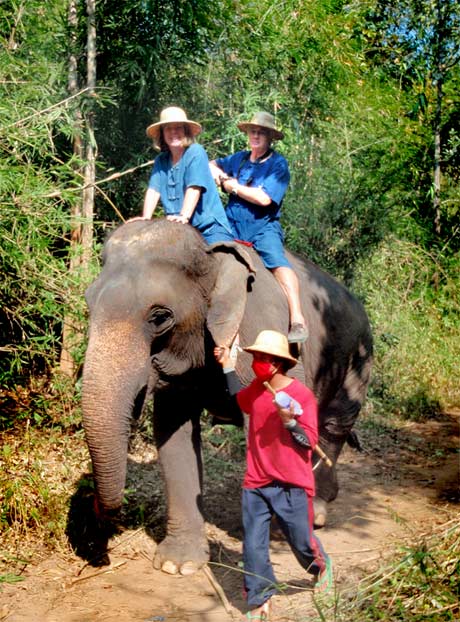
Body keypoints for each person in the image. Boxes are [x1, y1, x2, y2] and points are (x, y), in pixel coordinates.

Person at [214, 330, 332, 621]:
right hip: (256, 480)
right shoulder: (257, 388)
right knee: (253, 544)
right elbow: (234, 403)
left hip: (292, 482)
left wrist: (290, 421)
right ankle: (260, 598)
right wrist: (227, 365)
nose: (257, 362)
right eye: (255, 357)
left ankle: (321, 567)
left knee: (302, 541)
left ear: (278, 363)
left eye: (262, 358)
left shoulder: (300, 395)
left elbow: (309, 442)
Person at [210, 112, 308, 343]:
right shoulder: (241, 159)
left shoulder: (278, 165)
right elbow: (211, 164)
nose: (255, 135)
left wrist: (231, 186)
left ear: (270, 137)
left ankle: (297, 317)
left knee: (277, 262)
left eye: (261, 132)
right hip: (231, 223)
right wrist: (222, 176)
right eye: (253, 131)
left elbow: (264, 199)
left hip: (263, 227)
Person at [142, 106, 234, 244]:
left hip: (208, 228)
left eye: (178, 127)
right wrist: (145, 220)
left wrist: (183, 216)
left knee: (222, 260)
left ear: (186, 131)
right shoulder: (161, 160)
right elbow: (154, 190)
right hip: (177, 229)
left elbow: (194, 188)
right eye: (168, 128)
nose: (173, 132)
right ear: (162, 134)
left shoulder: (195, 152)